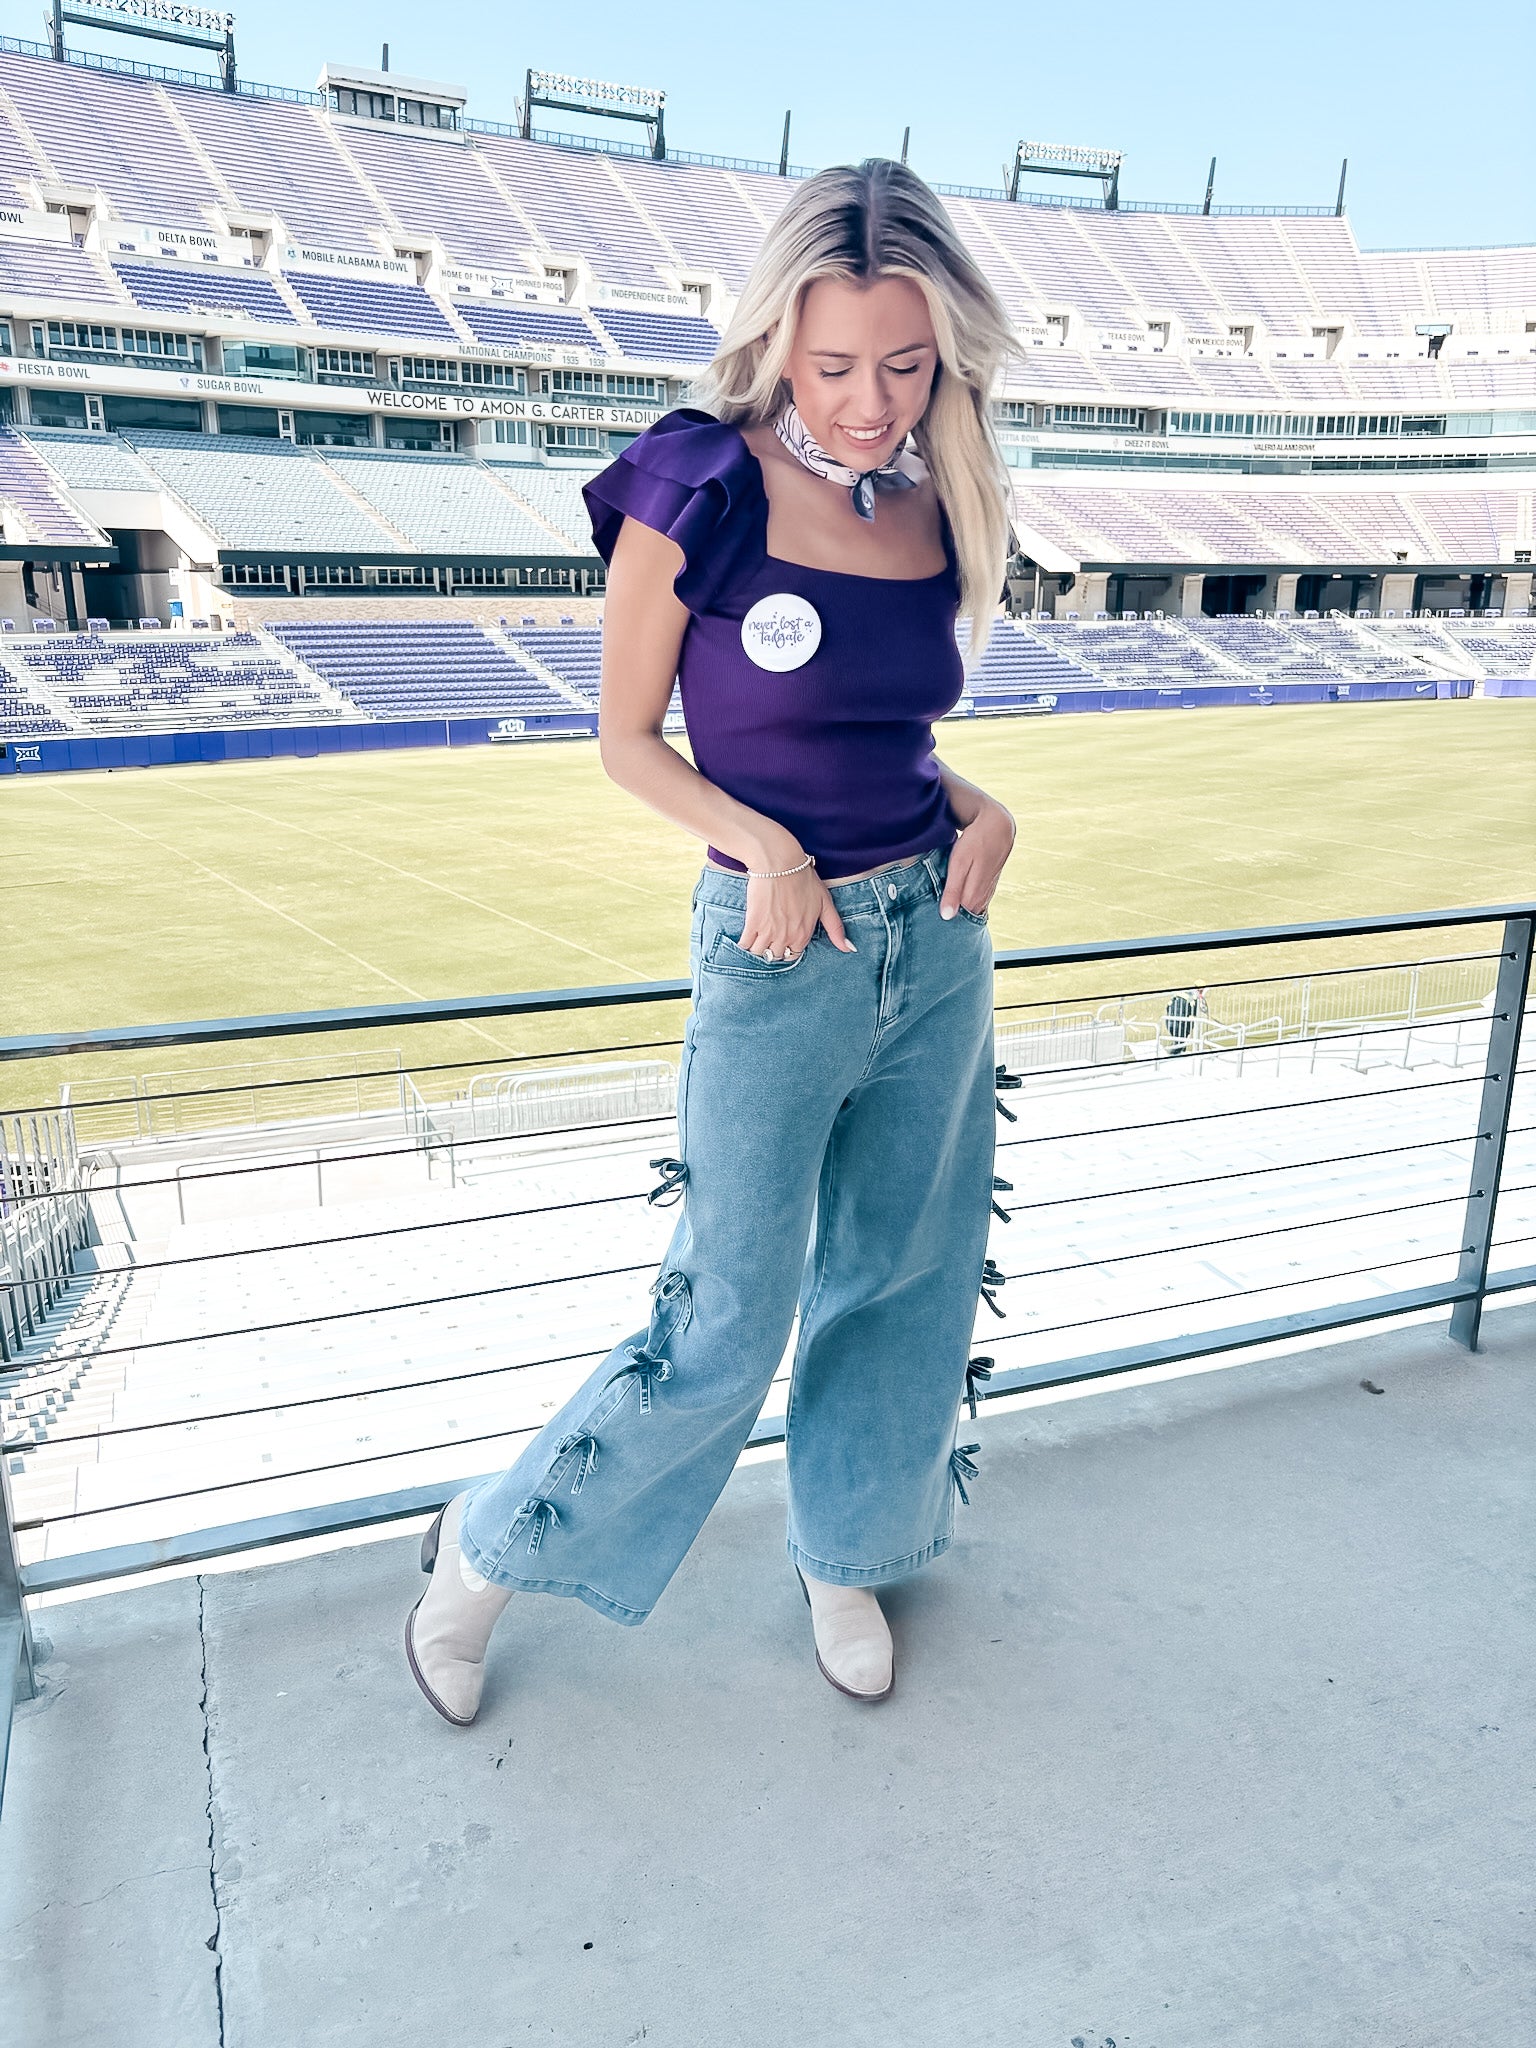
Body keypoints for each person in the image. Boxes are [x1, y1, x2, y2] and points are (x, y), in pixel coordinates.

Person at [404, 158, 1020, 1725]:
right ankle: (484, 1553)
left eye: (905, 364)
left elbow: (880, 738)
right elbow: (627, 738)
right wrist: (756, 839)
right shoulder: (702, 483)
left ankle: (848, 1551)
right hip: (779, 946)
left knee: (905, 1278)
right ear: (777, 343)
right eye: (835, 367)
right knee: (724, 1310)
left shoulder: (938, 495)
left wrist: (981, 808)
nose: (874, 402)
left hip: (934, 936)